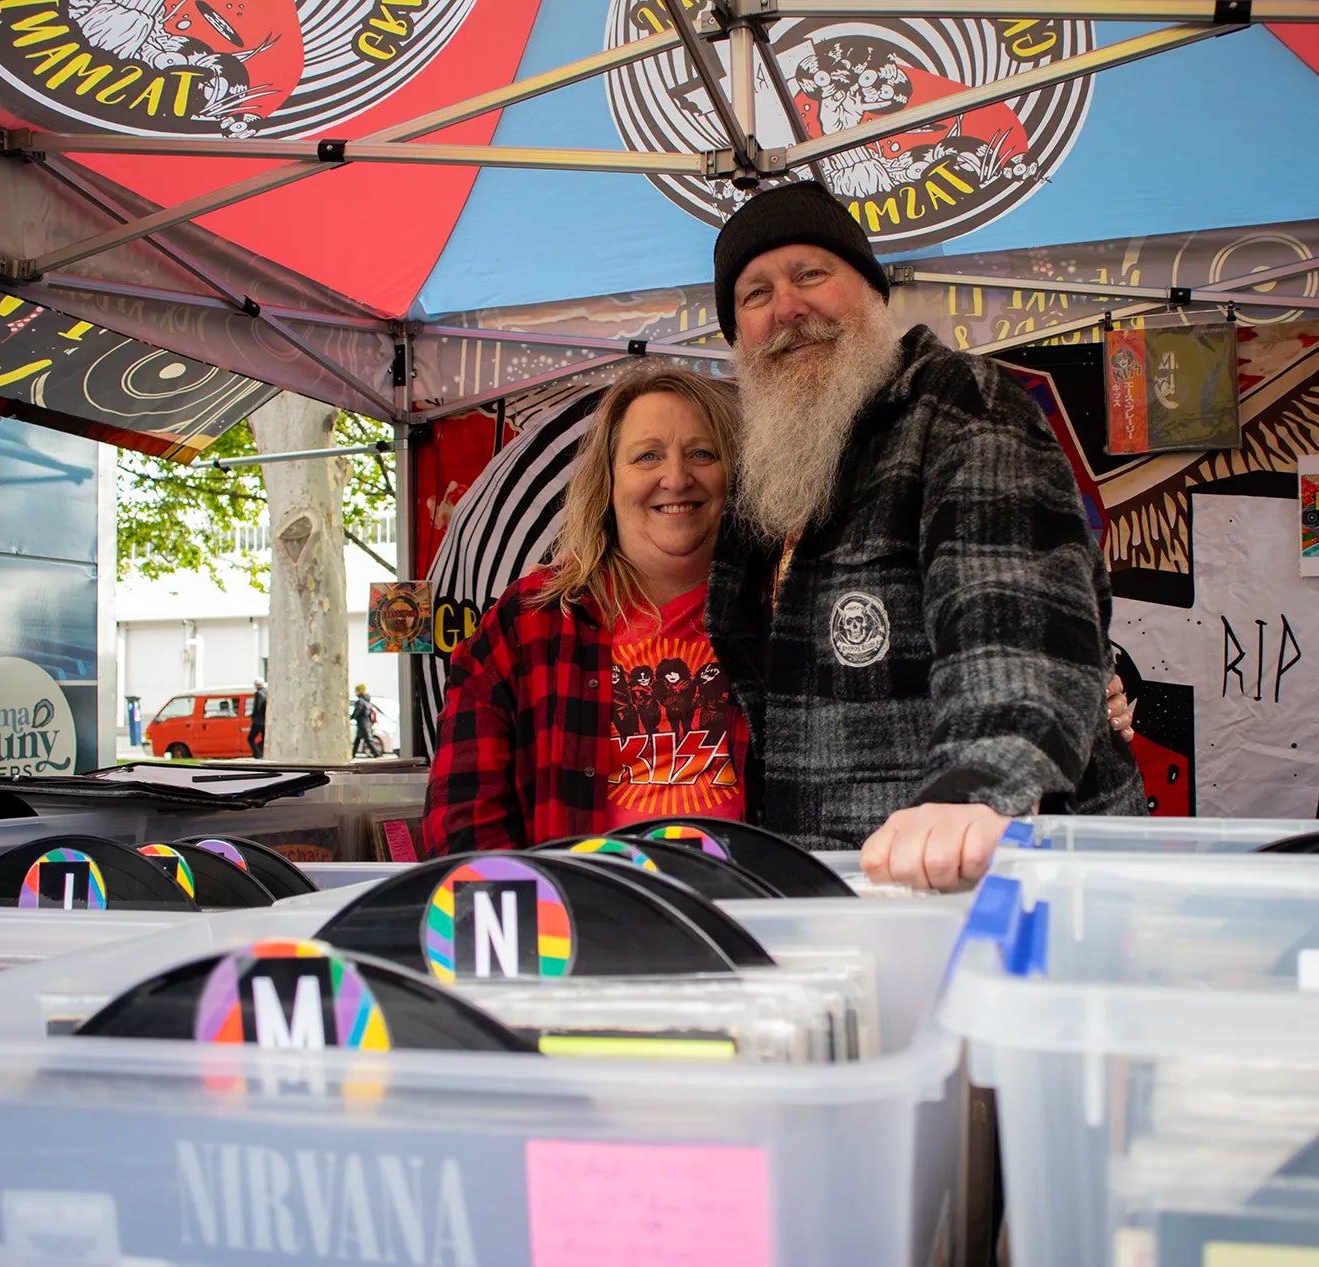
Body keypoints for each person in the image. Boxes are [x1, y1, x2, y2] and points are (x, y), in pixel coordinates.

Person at [707, 179, 1145, 891]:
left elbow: (1009, 609)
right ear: (736, 336)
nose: (787, 308)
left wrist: (977, 783)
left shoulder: (963, 406)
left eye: (810, 274)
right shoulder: (768, 477)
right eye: (756, 294)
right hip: (847, 888)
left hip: (988, 876)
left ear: (873, 293)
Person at [417, 366, 752, 857]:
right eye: (647, 456)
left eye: (702, 453)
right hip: (575, 901)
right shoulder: (527, 623)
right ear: (608, 480)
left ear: (736, 474)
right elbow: (461, 821)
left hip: (746, 897)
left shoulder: (775, 612)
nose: (676, 478)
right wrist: (538, 900)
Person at [351, 683, 381, 758]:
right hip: (367, 724)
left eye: (356, 691)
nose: (355, 692)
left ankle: (376, 753)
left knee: (368, 740)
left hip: (362, 724)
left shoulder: (360, 701)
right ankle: (352, 754)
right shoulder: (368, 702)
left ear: (359, 691)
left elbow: (357, 712)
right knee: (358, 740)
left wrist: (351, 717)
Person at [246, 678, 267, 758]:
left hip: (258, 721)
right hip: (265, 721)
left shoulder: (258, 694)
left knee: (250, 738)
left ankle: (257, 754)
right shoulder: (267, 692)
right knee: (264, 739)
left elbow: (257, 708)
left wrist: (252, 716)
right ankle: (263, 753)